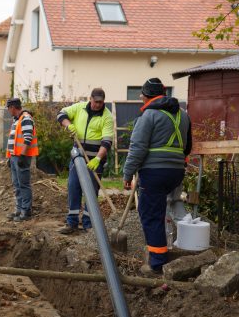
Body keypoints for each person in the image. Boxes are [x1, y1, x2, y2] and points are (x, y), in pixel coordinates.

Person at [123, 78, 192, 277]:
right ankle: (178, 247)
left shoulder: (148, 115)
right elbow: (187, 147)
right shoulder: (183, 115)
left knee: (151, 215)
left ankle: (157, 264)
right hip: (176, 172)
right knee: (169, 209)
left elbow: (137, 148)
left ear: (146, 96)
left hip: (154, 173)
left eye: (142, 96)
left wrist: (128, 174)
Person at [56, 88, 114, 234]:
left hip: (95, 159)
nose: (98, 105)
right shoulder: (79, 107)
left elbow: (106, 142)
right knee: (74, 187)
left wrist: (98, 158)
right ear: (91, 99)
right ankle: (72, 223)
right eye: (96, 102)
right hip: (78, 157)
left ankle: (88, 224)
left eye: (101, 102)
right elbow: (61, 114)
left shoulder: (107, 116)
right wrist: (68, 125)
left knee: (92, 192)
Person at [5, 98, 39, 222]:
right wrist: (10, 157)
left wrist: (22, 156)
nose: (8, 111)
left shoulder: (26, 119)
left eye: (8, 108)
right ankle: (19, 209)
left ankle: (26, 211)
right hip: (15, 156)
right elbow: (14, 141)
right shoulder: (17, 120)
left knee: (23, 184)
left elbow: (27, 138)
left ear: (13, 107)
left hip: (21, 157)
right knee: (17, 184)